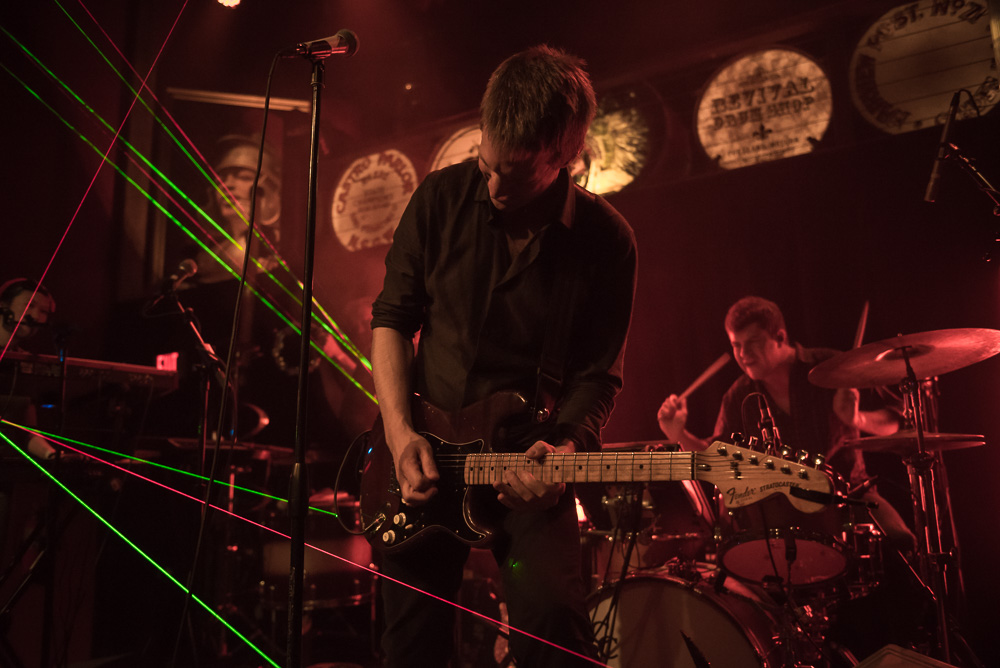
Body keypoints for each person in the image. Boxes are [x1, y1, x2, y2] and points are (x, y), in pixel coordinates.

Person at [369, 45, 637, 667]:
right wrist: (399, 432)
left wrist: (565, 454)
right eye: (485, 163)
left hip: (527, 464)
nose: (491, 187)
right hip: (423, 457)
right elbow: (392, 319)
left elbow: (598, 375)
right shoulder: (439, 197)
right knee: (410, 647)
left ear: (564, 156)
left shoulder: (606, 241)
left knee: (553, 626)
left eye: (512, 175)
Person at [657, 295, 915, 552]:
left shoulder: (832, 367)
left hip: (850, 495)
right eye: (737, 345)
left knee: (901, 543)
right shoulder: (738, 396)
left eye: (753, 342)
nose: (744, 354)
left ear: (780, 337)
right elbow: (716, 458)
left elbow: (899, 421)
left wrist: (858, 419)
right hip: (782, 511)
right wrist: (678, 433)